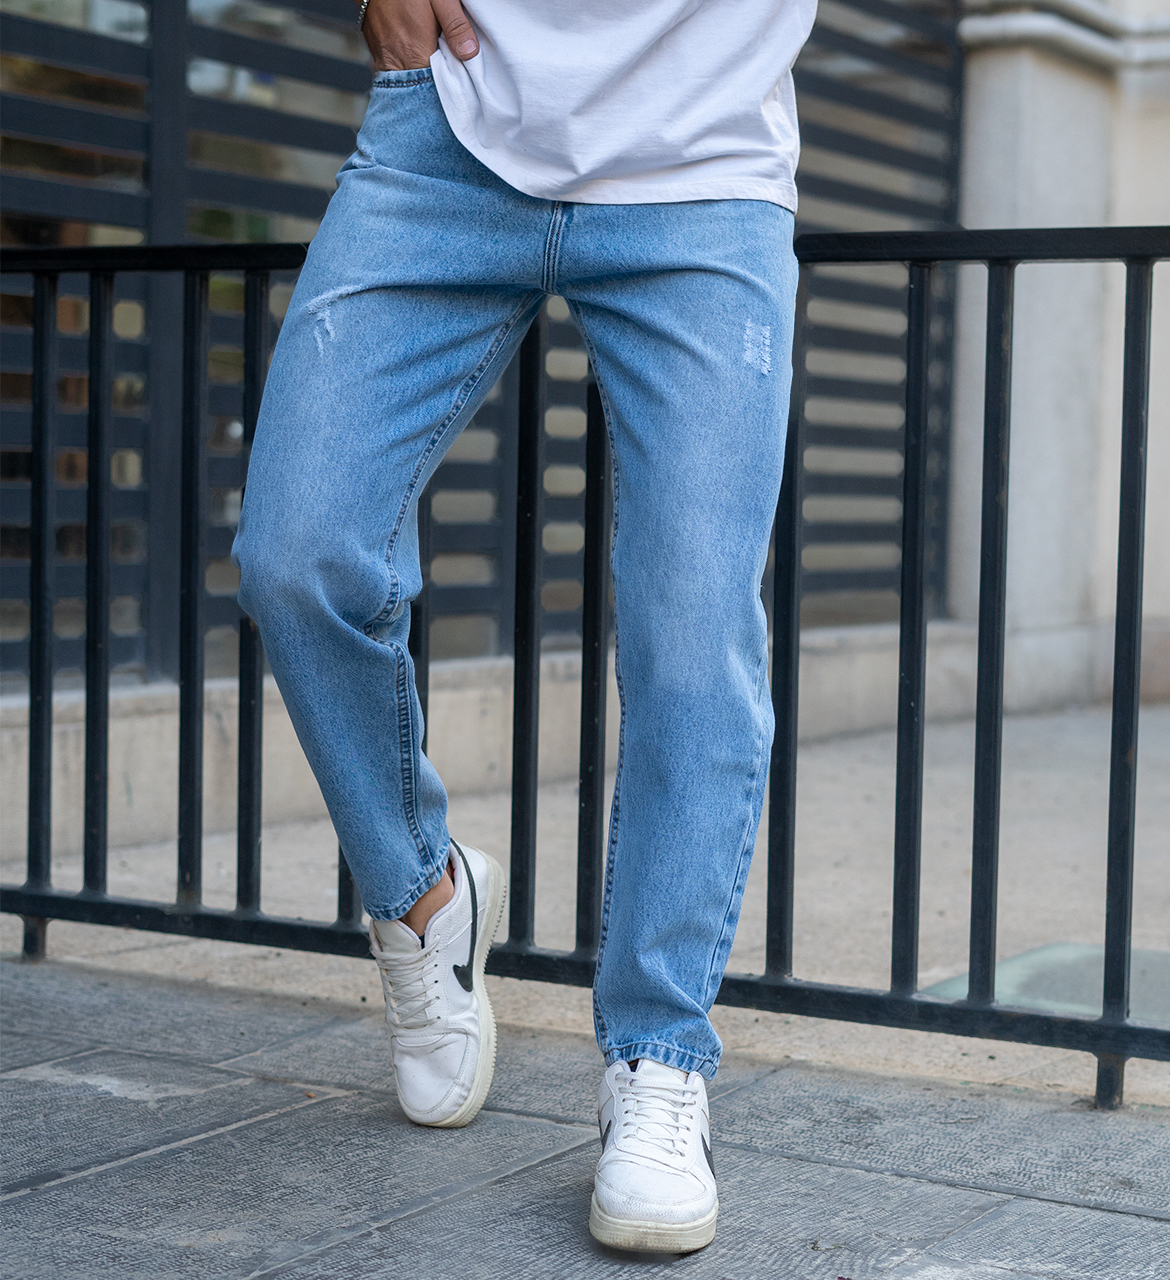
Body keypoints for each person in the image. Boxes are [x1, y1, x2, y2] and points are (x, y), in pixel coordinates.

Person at [233, 0, 817, 1254]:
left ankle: (657, 1057)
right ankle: (422, 897)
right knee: (299, 552)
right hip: (448, 127)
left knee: (691, 629)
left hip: (702, 163)